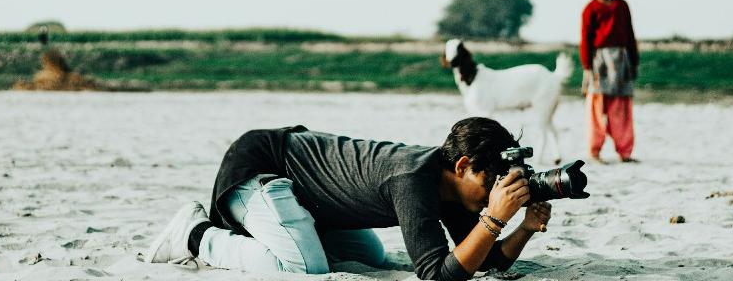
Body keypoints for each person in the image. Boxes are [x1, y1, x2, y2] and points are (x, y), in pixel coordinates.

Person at [145, 117, 553, 280]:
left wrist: (526, 228)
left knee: (372, 257)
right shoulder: (413, 179)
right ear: (462, 166)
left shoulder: (453, 188)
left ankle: (285, 232)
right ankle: (196, 234)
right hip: (261, 167)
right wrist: (493, 220)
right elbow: (436, 276)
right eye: (492, 185)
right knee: (305, 267)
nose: (493, 196)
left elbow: (484, 259)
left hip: (307, 199)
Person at [580, 0, 639, 164]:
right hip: (599, 62)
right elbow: (585, 39)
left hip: (622, 60)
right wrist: (587, 67)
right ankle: (594, 150)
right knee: (597, 108)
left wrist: (634, 62)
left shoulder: (622, 6)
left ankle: (625, 151)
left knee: (621, 108)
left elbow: (630, 34)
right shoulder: (590, 9)